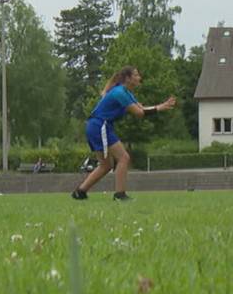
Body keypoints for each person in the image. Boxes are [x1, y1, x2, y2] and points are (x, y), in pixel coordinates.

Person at [71, 66, 176, 201]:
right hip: (100, 126)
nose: (140, 78)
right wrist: (160, 108)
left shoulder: (126, 93)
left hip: (97, 126)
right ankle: (120, 195)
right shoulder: (120, 93)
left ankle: (80, 192)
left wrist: (161, 106)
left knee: (106, 165)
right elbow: (139, 114)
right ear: (128, 78)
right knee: (123, 158)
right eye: (136, 75)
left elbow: (141, 108)